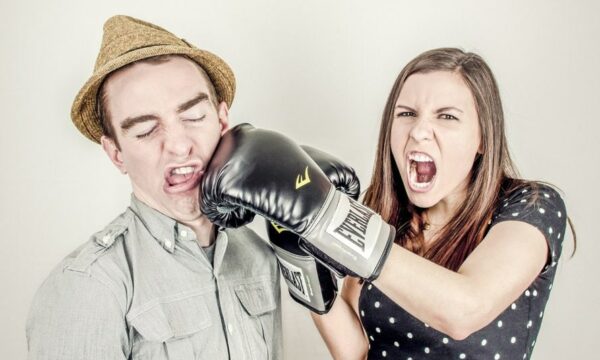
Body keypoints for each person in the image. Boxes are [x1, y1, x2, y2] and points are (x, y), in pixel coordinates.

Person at [26, 15, 281, 360]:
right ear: (116, 154)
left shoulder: (258, 255)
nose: (178, 145)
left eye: (193, 117)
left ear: (222, 121)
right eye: (146, 129)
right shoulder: (88, 287)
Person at [308, 47, 576, 360]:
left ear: (483, 139)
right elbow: (357, 351)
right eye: (406, 114)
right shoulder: (386, 217)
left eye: (447, 116)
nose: (419, 131)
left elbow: (465, 309)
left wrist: (333, 223)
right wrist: (297, 256)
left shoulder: (531, 206)